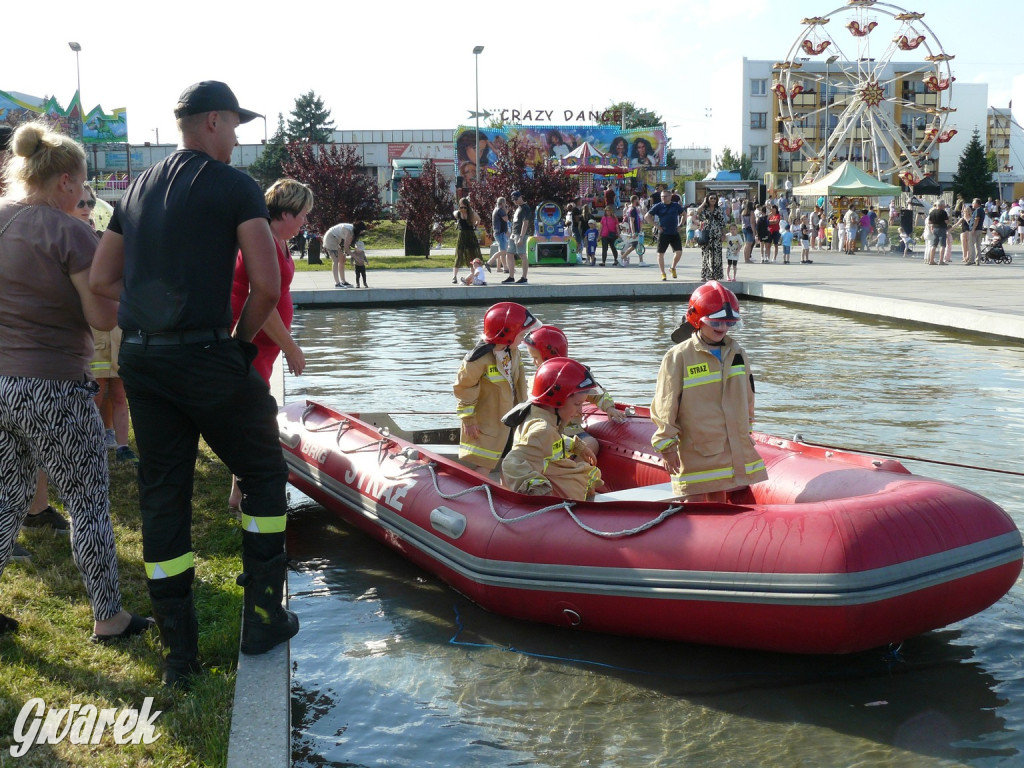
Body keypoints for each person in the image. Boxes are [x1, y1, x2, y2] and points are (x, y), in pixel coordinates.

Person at [90, 81, 298, 687]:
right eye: (235, 125)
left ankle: (180, 659)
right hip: (208, 354)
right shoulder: (236, 187)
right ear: (212, 121)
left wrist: (154, 310)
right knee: (262, 473)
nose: (237, 137)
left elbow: (104, 281)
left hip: (145, 363)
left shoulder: (138, 187)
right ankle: (261, 618)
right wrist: (234, 347)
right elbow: (264, 287)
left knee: (163, 493)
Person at [1, 120, 151, 642]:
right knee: (88, 500)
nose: (85, 194)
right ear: (66, 180)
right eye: (84, 184)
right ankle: (109, 616)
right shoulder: (69, 231)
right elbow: (103, 319)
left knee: (6, 495)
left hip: (0, 382)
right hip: (53, 383)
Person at [227, 177, 313, 509]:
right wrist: (291, 347)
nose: (305, 221)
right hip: (251, 345)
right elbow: (259, 302)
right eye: (302, 213)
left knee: (249, 419)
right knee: (252, 421)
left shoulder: (274, 239)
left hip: (263, 347)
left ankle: (238, 494)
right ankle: (246, 495)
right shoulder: (261, 240)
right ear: (286, 211)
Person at [651, 281, 768, 502]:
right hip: (696, 447)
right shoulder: (679, 356)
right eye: (716, 321)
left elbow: (748, 394)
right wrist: (666, 444)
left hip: (729, 445)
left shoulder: (737, 353)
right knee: (694, 502)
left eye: (728, 322)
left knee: (720, 498)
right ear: (697, 319)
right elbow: (666, 403)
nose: (723, 327)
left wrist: (747, 430)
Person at [501, 357, 603, 501]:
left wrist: (575, 446)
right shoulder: (542, 429)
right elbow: (511, 462)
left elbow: (548, 446)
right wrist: (538, 489)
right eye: (577, 404)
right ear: (556, 401)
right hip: (558, 502)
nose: (580, 411)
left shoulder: (543, 419)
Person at [453, 302, 536, 473]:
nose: (522, 340)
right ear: (507, 335)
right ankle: (476, 494)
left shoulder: (512, 352)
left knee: (509, 460)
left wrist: (526, 408)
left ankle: (504, 493)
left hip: (510, 418)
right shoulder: (477, 360)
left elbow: (519, 382)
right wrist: (469, 420)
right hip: (487, 421)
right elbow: (464, 389)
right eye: (521, 335)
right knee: (485, 462)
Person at [522, 324, 626, 455]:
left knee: (591, 444)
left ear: (549, 355)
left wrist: (609, 407)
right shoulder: (537, 380)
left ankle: (574, 469)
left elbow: (598, 393)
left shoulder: (577, 374)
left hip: (573, 431)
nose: (533, 362)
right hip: (547, 431)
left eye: (535, 358)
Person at [645, 189, 684, 281]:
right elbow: (647, 216)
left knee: (679, 252)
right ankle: (663, 273)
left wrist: (681, 225)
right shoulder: (658, 206)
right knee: (660, 254)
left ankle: (673, 267)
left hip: (674, 232)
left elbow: (684, 214)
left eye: (665, 196)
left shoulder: (675, 205)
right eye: (662, 196)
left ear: (670, 196)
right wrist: (657, 226)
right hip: (663, 232)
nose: (663, 198)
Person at [323, 220, 367, 288]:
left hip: (336, 240)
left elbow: (347, 247)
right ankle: (337, 283)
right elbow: (346, 249)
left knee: (342, 259)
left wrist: (348, 254)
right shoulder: (349, 232)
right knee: (335, 260)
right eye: (362, 231)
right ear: (358, 229)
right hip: (330, 238)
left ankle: (343, 281)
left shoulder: (352, 232)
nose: (362, 233)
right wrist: (356, 257)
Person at [695, 192, 727, 281]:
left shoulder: (719, 209)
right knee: (705, 254)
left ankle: (715, 275)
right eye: (711, 198)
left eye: (714, 198)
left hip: (716, 234)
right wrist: (704, 203)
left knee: (717, 255)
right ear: (707, 199)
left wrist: (723, 234)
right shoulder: (704, 209)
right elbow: (697, 211)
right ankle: (705, 275)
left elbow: (722, 222)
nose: (713, 200)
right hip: (706, 233)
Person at [502, 191, 531, 284]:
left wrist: (521, 237)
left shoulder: (525, 208)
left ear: (520, 197)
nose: (515, 201)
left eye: (516, 199)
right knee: (509, 253)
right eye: (513, 199)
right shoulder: (517, 208)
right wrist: (511, 233)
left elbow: (525, 223)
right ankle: (511, 276)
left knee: (522, 254)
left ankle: (524, 277)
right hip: (513, 233)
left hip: (520, 234)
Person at [453, 196, 481, 285]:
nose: (463, 209)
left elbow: (479, 219)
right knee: (459, 256)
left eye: (465, 207)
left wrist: (476, 226)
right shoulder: (458, 214)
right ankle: (454, 276)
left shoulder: (471, 214)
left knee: (472, 256)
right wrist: (458, 211)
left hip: (470, 236)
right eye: (461, 207)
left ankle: (472, 276)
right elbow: (454, 213)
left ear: (468, 207)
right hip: (462, 236)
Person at [620, 194, 644, 265]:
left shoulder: (635, 209)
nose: (639, 201)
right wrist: (633, 232)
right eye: (637, 199)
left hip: (637, 230)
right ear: (634, 200)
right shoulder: (632, 209)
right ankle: (621, 258)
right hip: (634, 231)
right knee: (634, 246)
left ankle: (641, 261)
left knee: (636, 245)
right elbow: (631, 221)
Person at [924, 200, 949, 266]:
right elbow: (946, 221)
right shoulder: (943, 212)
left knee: (934, 245)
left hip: (935, 229)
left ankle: (931, 260)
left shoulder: (932, 212)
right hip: (942, 228)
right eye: (944, 205)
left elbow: (929, 222)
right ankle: (941, 260)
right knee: (942, 245)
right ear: (941, 205)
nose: (944, 206)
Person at [488, 197, 509, 271]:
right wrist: (505, 211)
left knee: (501, 250)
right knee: (503, 251)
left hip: (498, 232)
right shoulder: (500, 210)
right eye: (505, 203)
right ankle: (489, 262)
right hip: (500, 233)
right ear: (503, 203)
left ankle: (499, 268)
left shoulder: (495, 209)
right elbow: (506, 219)